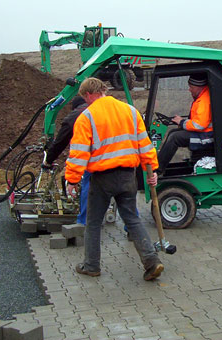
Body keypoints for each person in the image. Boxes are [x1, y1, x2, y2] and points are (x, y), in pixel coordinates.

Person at [65, 77, 163, 281]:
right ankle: (152, 262)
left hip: (102, 178)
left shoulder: (87, 117)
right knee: (133, 219)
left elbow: (79, 153)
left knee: (93, 223)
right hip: (128, 175)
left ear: (89, 94)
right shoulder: (130, 111)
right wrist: (151, 169)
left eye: (86, 98)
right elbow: (144, 144)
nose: (86, 102)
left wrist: (72, 180)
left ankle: (91, 266)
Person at [43, 96, 90, 226]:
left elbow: (60, 143)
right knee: (124, 196)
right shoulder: (99, 111)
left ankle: (83, 222)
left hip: (92, 161)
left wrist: (48, 160)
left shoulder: (74, 117)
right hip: (120, 161)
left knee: (88, 185)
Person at [157, 73, 213, 175]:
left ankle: (157, 170)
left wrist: (182, 122)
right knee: (174, 132)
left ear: (199, 87)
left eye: (191, 87)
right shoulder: (203, 96)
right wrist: (181, 122)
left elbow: (199, 125)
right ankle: (159, 165)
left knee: (175, 137)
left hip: (206, 138)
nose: (189, 90)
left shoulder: (204, 101)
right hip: (205, 134)